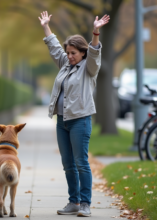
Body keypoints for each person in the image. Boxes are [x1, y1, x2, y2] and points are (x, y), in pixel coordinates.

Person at [38, 11, 110, 217]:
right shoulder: (65, 65)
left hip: (80, 121)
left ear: (82, 53)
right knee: (68, 164)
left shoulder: (89, 67)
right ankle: (73, 202)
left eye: (73, 53)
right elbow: (53, 47)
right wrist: (46, 26)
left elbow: (95, 53)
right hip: (62, 122)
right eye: (68, 53)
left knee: (81, 163)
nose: (69, 56)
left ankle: (85, 204)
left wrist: (95, 32)